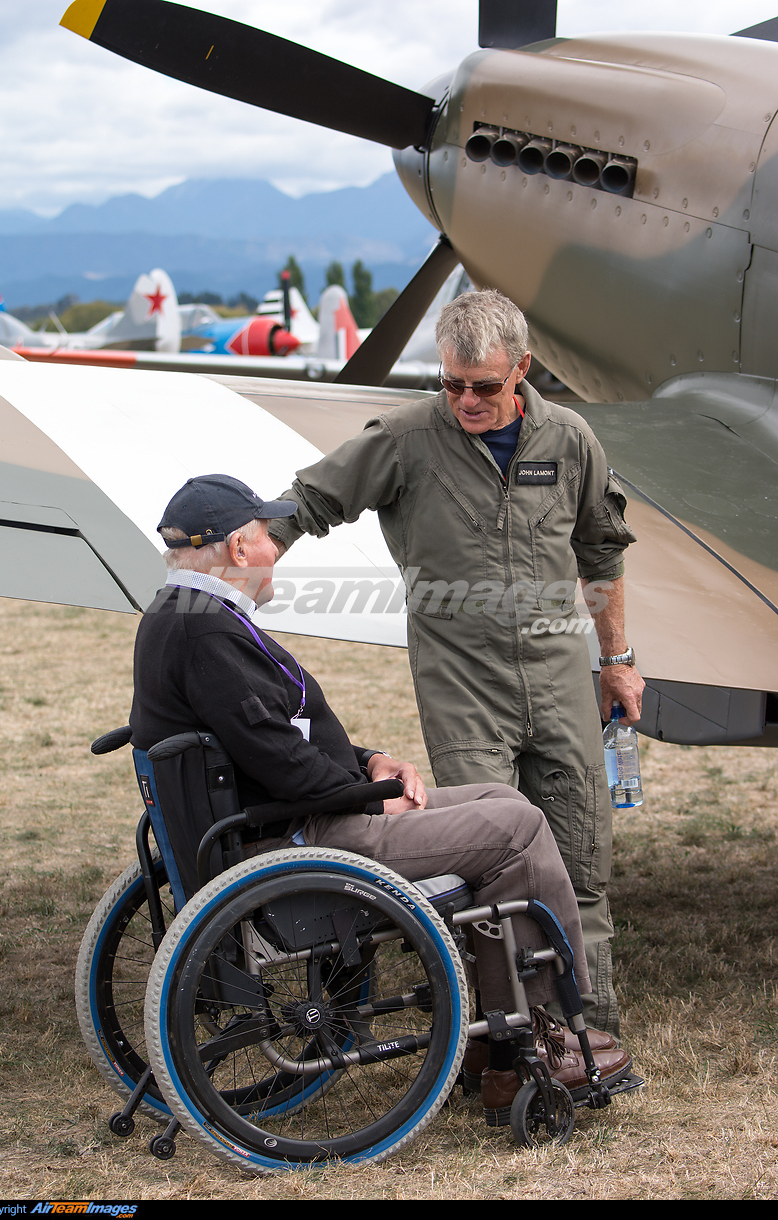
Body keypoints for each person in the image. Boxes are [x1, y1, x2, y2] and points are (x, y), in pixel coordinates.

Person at [128, 472, 632, 1121]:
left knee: (506, 805)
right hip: (310, 836)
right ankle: (533, 1037)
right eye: (263, 535)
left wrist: (372, 763)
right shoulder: (205, 634)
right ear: (238, 549)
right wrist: (369, 794)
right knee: (517, 834)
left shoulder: (187, 617)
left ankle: (501, 1039)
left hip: (302, 815)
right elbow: (279, 760)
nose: (273, 549)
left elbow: (279, 736)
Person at [266, 290, 645, 1038]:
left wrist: (617, 661)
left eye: (484, 386)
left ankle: (589, 1025)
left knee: (581, 856)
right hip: (465, 686)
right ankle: (507, 1040)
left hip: (561, 677)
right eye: (452, 384)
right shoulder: (406, 439)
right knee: (484, 863)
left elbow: (602, 550)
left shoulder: (569, 439)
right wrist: (238, 558)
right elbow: (309, 500)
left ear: (522, 371)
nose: (466, 400)